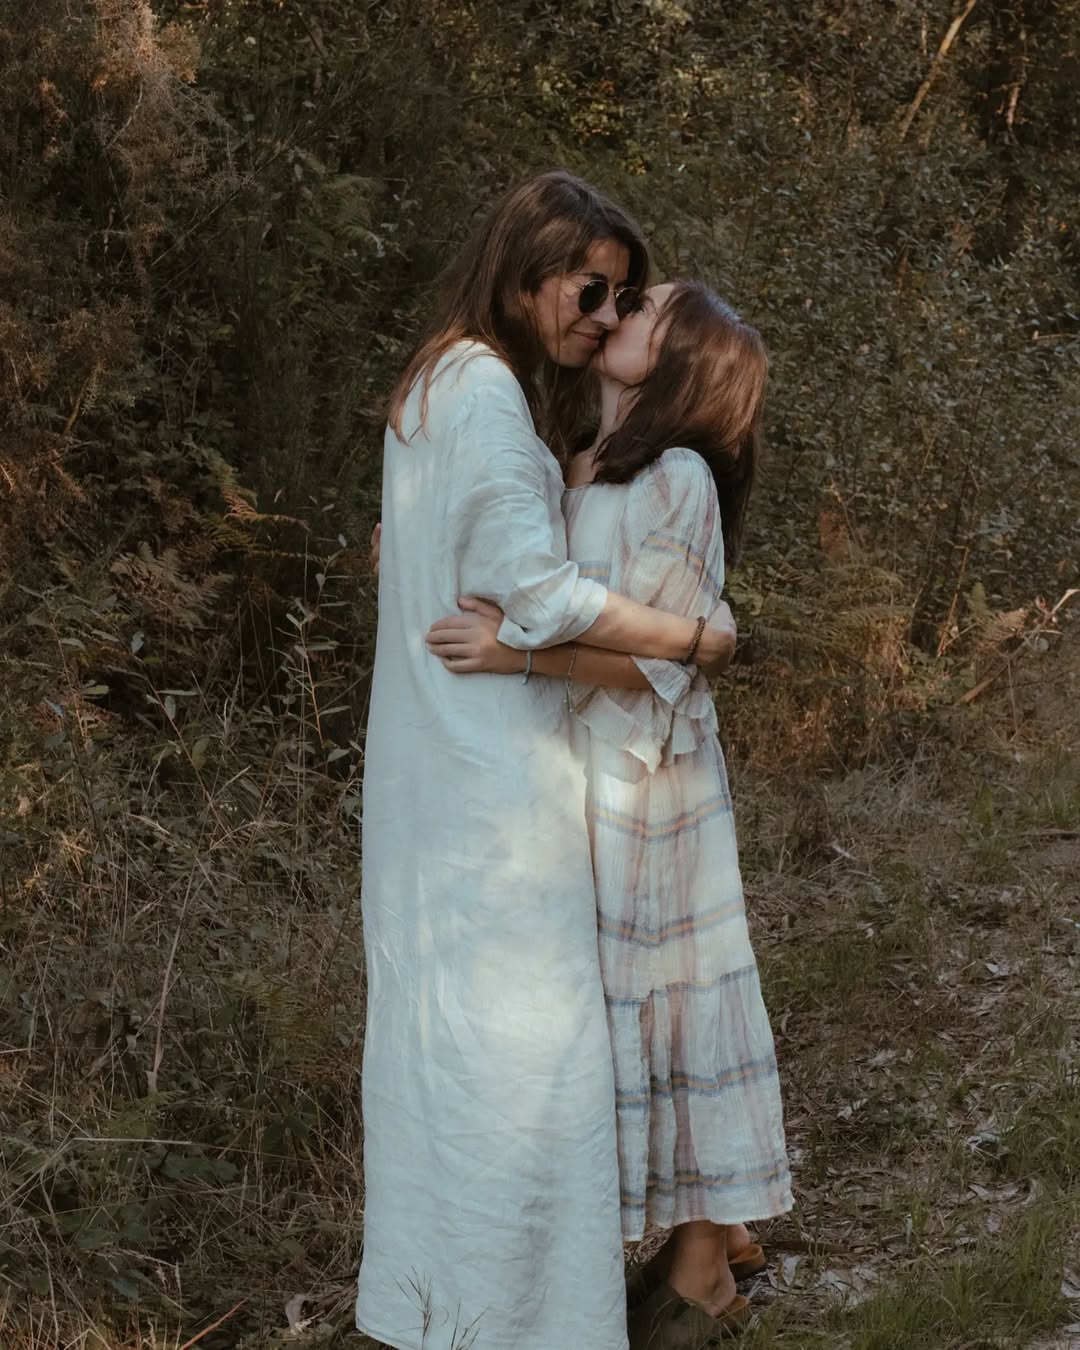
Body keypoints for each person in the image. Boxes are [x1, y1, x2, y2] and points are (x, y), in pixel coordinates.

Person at [357, 174, 739, 1350]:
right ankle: (532, 1323)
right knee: (527, 1062)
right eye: (591, 287)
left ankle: (454, 1308)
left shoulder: (441, 380)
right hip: (491, 787)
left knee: (455, 1052)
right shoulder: (483, 393)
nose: (603, 312)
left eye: (621, 296)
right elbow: (539, 593)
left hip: (436, 772)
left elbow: (437, 556)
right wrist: (691, 637)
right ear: (529, 269)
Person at [427, 280, 793, 1347]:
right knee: (620, 998)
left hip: (651, 780)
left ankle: (704, 1258)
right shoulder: (571, 462)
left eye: (644, 306)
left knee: (672, 995)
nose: (618, 310)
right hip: (572, 771)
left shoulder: (677, 477)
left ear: (678, 359)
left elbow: (663, 662)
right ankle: (717, 1232)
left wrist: (516, 658)